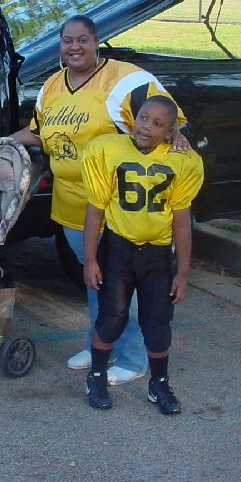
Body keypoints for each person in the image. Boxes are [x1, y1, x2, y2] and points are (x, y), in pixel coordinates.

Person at [12, 15, 189, 385]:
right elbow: (39, 133)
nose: (74, 47)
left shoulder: (127, 80)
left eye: (83, 40)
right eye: (67, 40)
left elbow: (165, 122)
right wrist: (2, 141)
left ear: (96, 42)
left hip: (118, 208)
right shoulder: (52, 85)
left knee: (121, 285)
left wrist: (177, 135)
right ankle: (100, 347)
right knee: (94, 280)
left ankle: (133, 357)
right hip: (73, 205)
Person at [81, 96, 204, 413]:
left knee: (158, 322)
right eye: (144, 118)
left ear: (170, 132)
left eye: (158, 124)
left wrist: (182, 273)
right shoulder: (108, 149)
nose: (147, 126)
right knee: (112, 316)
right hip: (118, 250)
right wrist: (90, 259)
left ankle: (159, 383)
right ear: (134, 117)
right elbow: (95, 211)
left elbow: (182, 222)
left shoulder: (182, 160)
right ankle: (96, 376)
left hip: (157, 254)